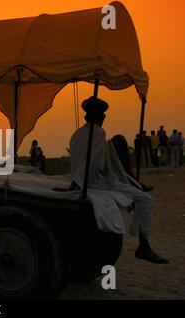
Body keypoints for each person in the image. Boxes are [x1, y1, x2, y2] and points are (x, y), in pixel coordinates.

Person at [69, 97, 168, 264]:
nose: (104, 117)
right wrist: (79, 182)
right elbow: (92, 162)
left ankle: (134, 184)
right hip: (95, 183)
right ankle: (144, 246)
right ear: (99, 116)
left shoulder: (77, 134)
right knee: (145, 200)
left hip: (84, 179)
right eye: (103, 114)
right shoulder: (98, 133)